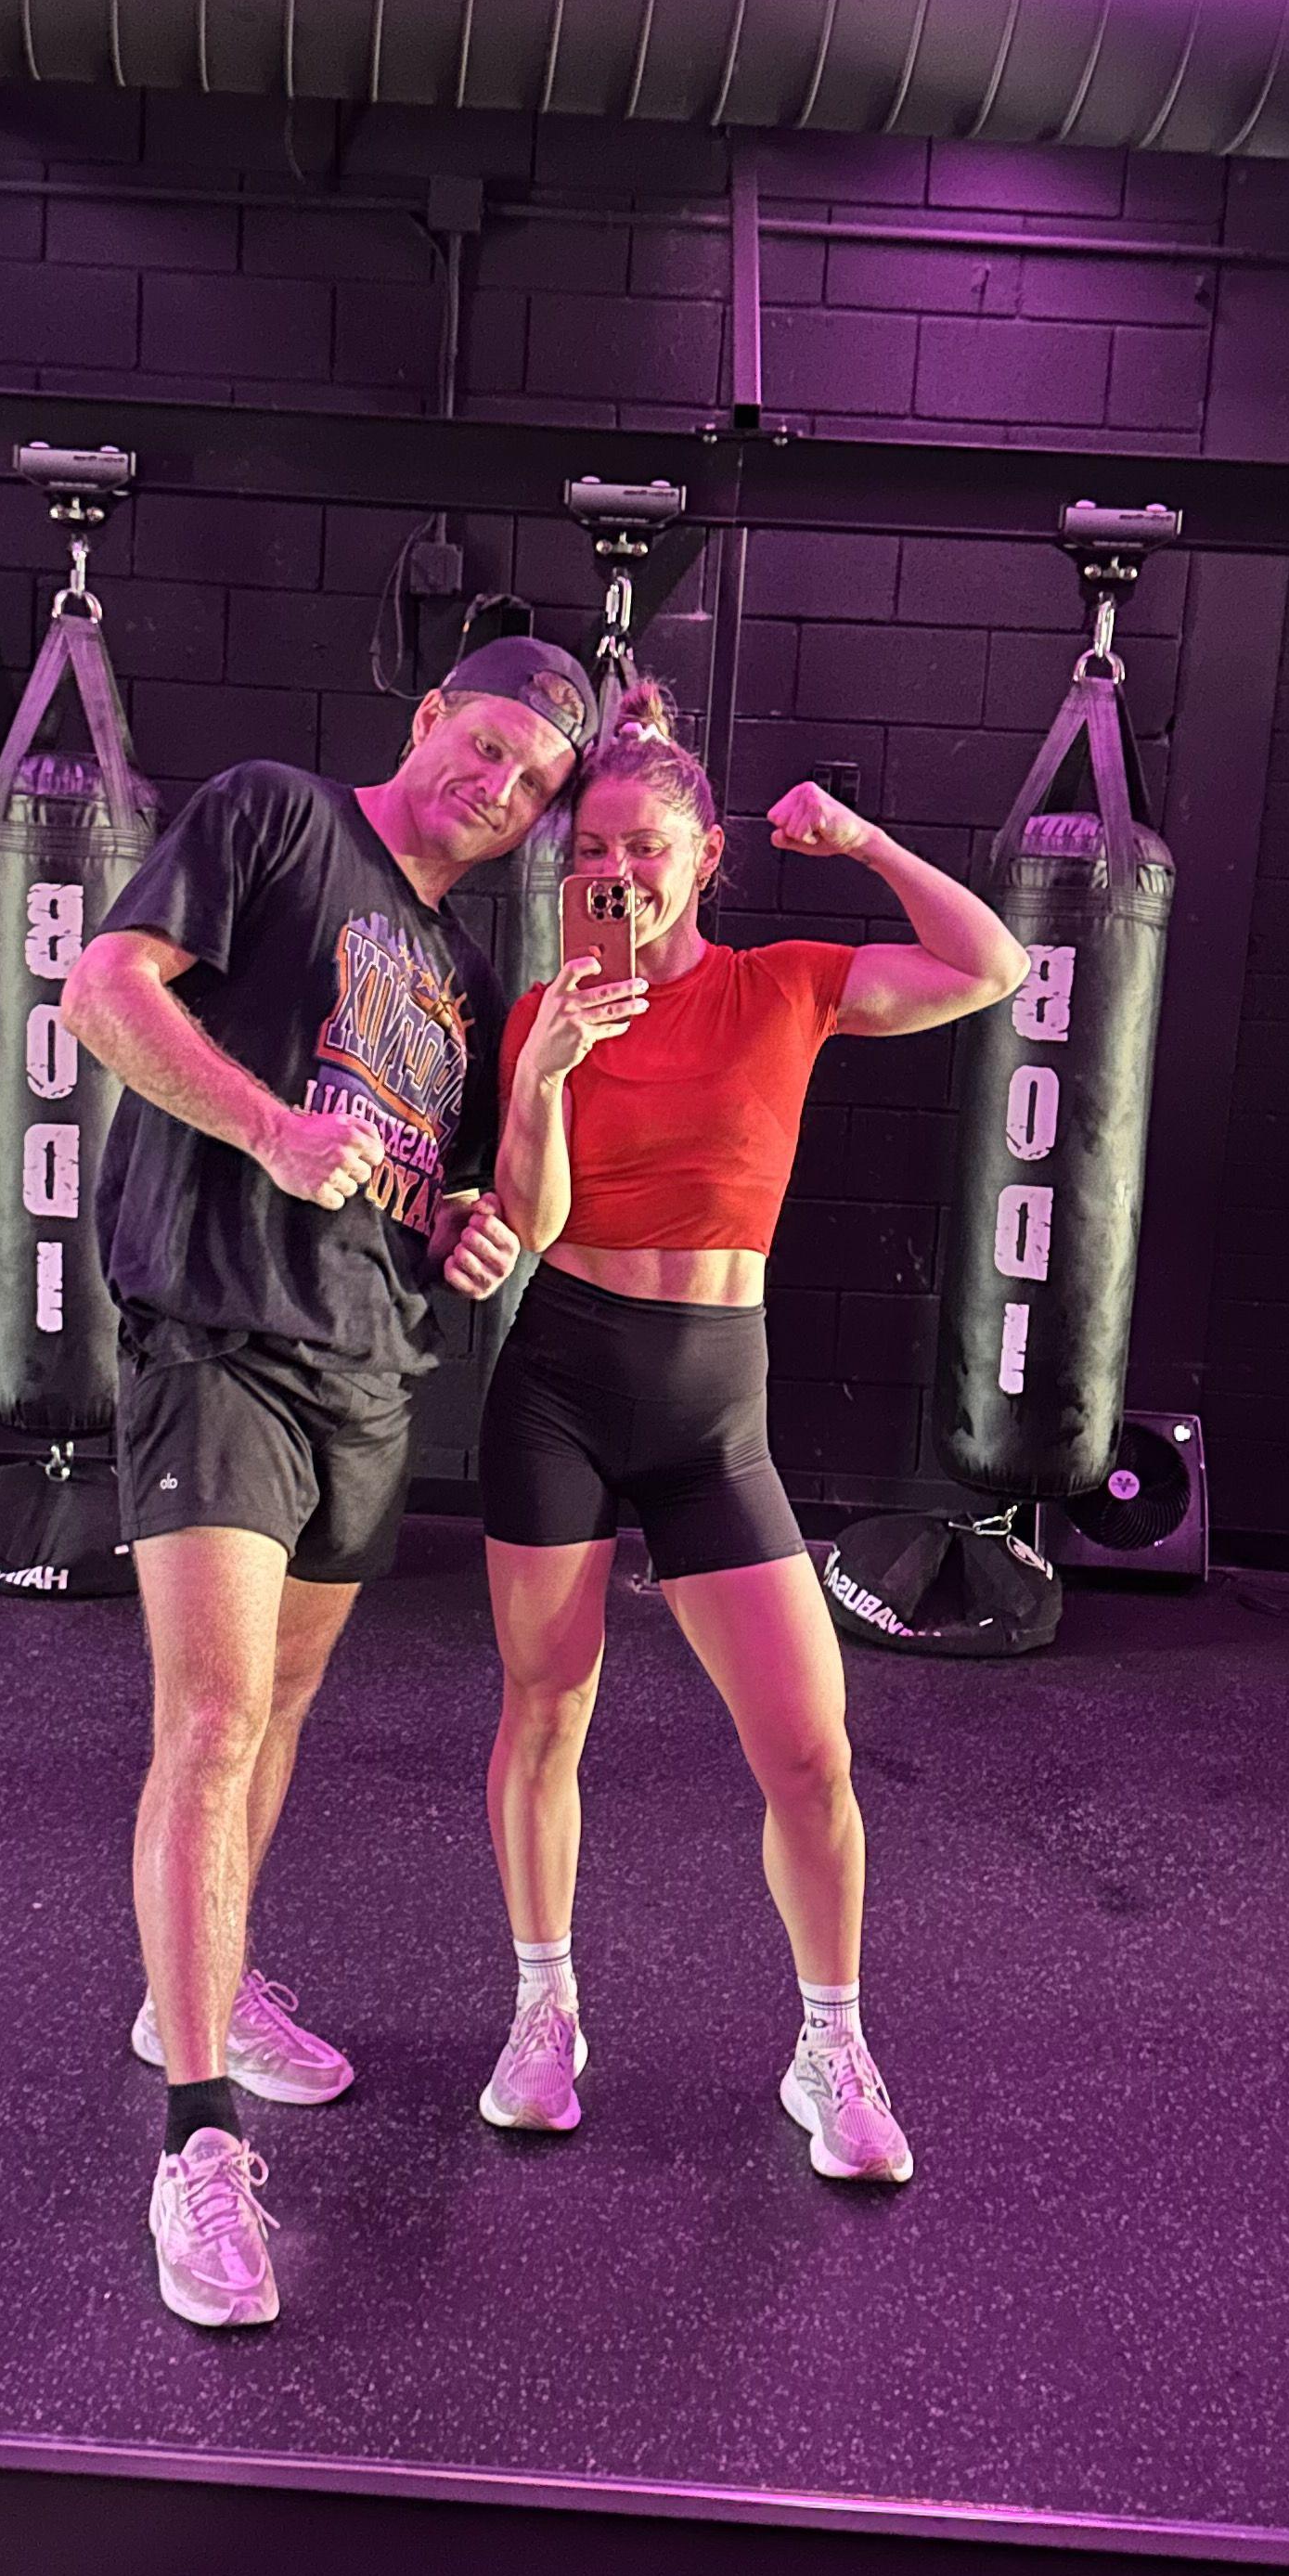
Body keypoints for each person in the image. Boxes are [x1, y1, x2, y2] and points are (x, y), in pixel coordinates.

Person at [63, 638, 602, 2329]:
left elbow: (423, 1173)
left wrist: (456, 1230)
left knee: (280, 1716)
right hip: (215, 1337)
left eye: (534, 785)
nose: (501, 790)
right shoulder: (276, 818)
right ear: (429, 718)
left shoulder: (461, 971)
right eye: (488, 746)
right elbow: (106, 989)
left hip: (369, 1373)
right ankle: (197, 2146)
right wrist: (267, 1129)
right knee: (214, 1720)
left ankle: (198, 1989)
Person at [473, 695, 1025, 2183]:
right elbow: (534, 1222)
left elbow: (994, 966)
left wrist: (865, 843)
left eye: (645, 848)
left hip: (716, 1407)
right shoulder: (544, 1014)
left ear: (705, 856)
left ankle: (829, 2046)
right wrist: (544, 1073)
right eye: (592, 852)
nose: (617, 875)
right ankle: (542, 2012)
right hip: (561, 1384)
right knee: (547, 1708)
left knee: (808, 1750)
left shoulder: (785, 986)